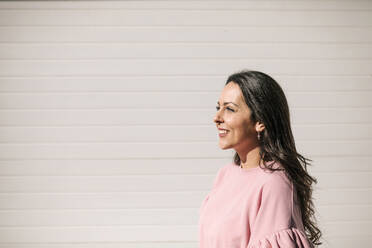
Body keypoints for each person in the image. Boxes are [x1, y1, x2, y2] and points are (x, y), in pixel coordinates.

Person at [198, 70, 322, 248]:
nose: (217, 118)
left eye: (230, 109)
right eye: (219, 108)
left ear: (260, 121)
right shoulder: (225, 175)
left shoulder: (274, 184)